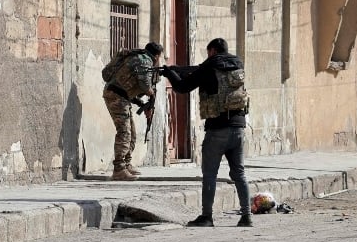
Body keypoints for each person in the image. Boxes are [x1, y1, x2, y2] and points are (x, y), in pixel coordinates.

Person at [160, 38, 252, 227]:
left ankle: (207, 216)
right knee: (239, 173)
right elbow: (198, 70)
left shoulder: (210, 66)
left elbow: (182, 87)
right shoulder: (237, 64)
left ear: (212, 51)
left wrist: (169, 73)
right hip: (239, 128)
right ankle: (246, 216)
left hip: (217, 129)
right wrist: (180, 69)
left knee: (210, 174)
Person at [103, 42, 163, 181]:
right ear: (156, 56)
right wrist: (151, 94)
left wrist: (143, 103)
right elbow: (145, 85)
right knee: (124, 132)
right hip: (116, 96)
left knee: (132, 133)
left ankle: (126, 163)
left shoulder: (139, 58)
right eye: (159, 58)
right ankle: (118, 169)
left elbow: (131, 85)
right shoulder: (145, 60)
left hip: (121, 97)